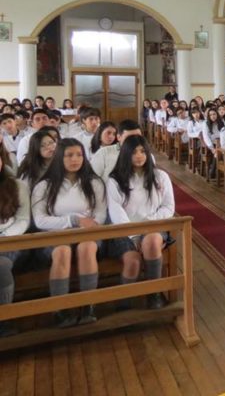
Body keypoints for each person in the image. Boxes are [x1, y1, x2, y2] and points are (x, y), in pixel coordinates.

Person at [31, 138, 106, 327]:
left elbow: (99, 215)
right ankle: (60, 308)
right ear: (59, 158)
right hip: (55, 235)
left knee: (87, 248)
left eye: (79, 155)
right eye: (69, 155)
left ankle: (87, 304)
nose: (75, 159)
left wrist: (88, 226)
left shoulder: (94, 182)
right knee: (62, 250)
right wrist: (74, 220)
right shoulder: (44, 186)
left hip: (87, 235)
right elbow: (40, 220)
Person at [107, 135, 175, 309]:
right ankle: (125, 302)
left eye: (143, 151)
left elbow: (168, 207)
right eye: (134, 152)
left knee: (152, 241)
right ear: (125, 154)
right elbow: (116, 211)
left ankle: (155, 294)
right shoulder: (115, 180)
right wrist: (133, 235)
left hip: (152, 227)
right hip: (124, 231)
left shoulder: (160, 177)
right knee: (133, 262)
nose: (139, 156)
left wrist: (147, 224)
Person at [0, 155, 31, 337]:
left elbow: (22, 220)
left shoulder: (17, 185)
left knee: (1, 266)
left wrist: (4, 237)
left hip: (11, 239)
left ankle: (4, 319)